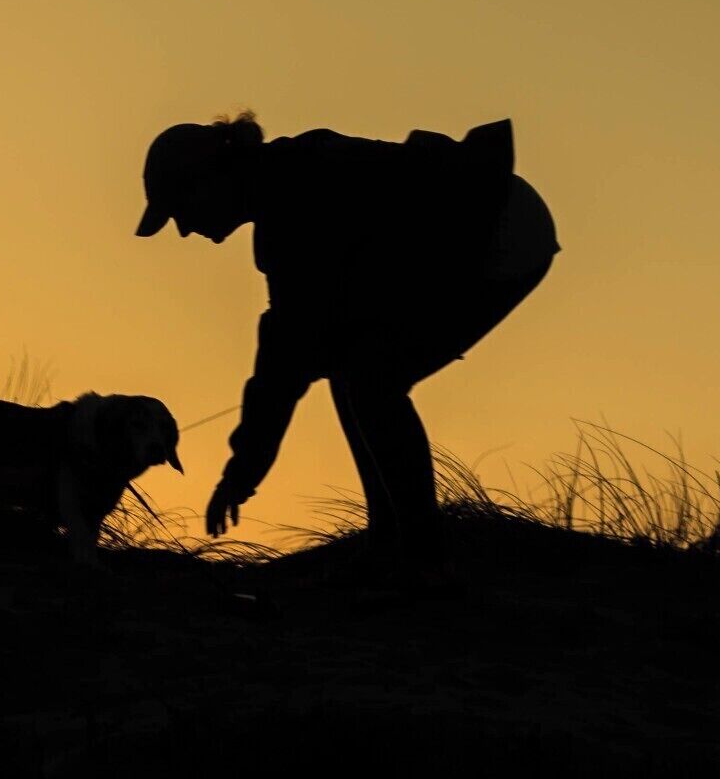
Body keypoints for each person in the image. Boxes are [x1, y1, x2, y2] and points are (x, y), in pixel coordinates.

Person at [135, 111, 559, 577]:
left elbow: (281, 364)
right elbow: (289, 352)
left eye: (180, 209)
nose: (184, 228)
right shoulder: (283, 193)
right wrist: (246, 466)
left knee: (371, 380)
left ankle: (423, 562)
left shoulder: (294, 199)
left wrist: (242, 472)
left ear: (210, 177)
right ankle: (391, 537)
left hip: (500, 226)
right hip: (476, 227)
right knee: (355, 370)